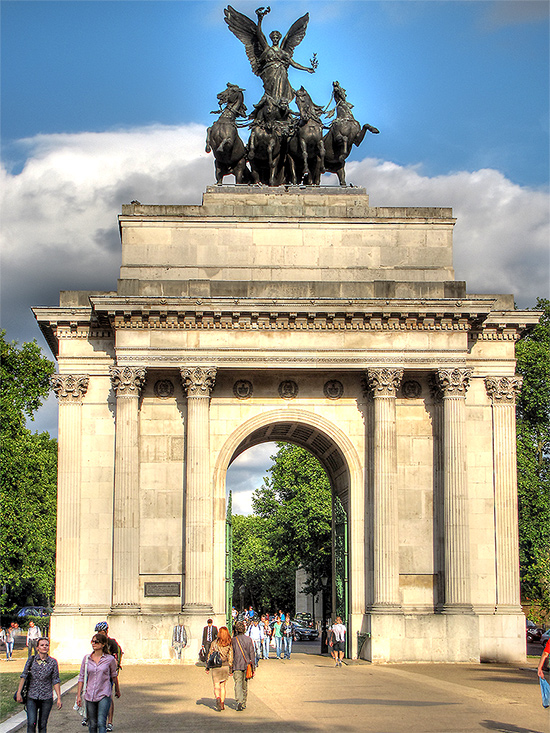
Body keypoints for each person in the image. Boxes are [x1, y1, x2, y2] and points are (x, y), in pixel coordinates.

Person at [76, 632, 120, 733]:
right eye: (92, 641)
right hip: (90, 694)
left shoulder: (109, 659)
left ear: (103, 644)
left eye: (96, 642)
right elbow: (81, 677)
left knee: (101, 722)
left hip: (104, 693)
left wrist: (117, 690)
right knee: (92, 724)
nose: (93, 644)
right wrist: (79, 695)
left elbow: (114, 676)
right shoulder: (87, 659)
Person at [16, 637, 62, 733]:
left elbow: (55, 680)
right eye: (42, 645)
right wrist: (19, 692)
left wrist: (59, 698)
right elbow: (24, 676)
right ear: (37, 648)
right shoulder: (31, 660)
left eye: (46, 645)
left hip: (46, 697)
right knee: (31, 723)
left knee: (42, 724)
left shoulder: (53, 662)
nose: (44, 647)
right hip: (32, 696)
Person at [205, 626, 233, 711]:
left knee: (216, 685)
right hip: (225, 666)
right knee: (223, 686)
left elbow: (210, 654)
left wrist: (207, 667)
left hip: (215, 666)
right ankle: (222, 703)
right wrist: (231, 667)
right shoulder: (229, 643)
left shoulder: (214, 643)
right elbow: (231, 656)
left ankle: (217, 698)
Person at [231, 621, 255, 711]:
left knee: (238, 683)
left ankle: (239, 701)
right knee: (245, 684)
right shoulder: (249, 640)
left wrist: (230, 667)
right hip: (246, 665)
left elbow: (231, 654)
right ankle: (244, 702)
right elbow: (252, 654)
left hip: (236, 664)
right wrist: (253, 667)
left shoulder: (233, 640)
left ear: (236, 630)